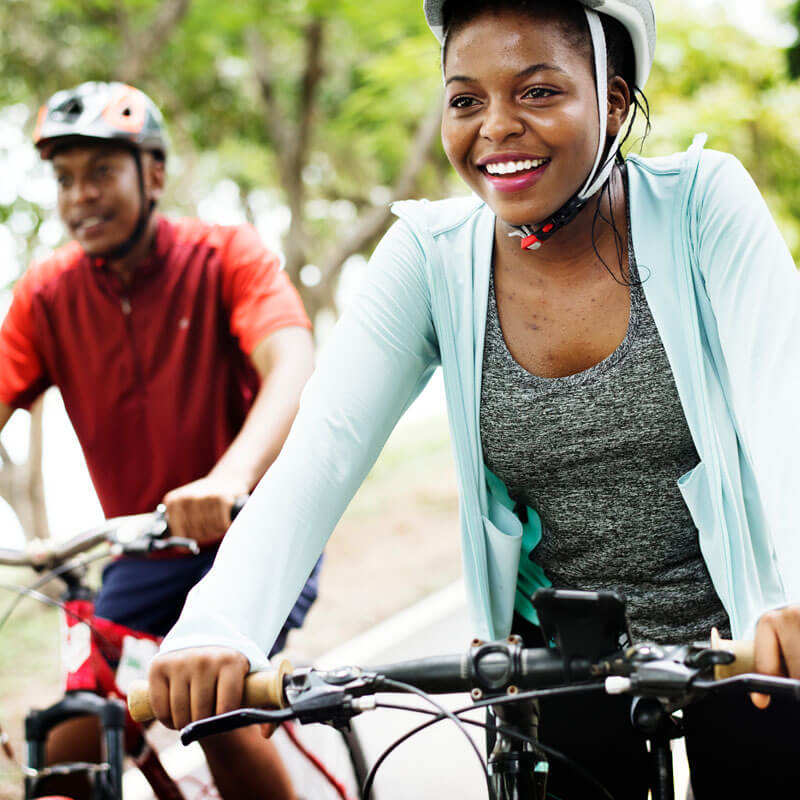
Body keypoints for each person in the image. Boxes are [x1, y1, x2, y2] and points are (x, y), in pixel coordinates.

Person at [149, 2, 800, 797]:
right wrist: (219, 627)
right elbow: (322, 448)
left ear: (616, 102)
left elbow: (784, 399)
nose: (496, 127)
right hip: (556, 657)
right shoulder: (429, 259)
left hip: (751, 632)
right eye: (465, 100)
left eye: (538, 92)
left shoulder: (703, 203)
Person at [0, 81, 318, 800]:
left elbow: (293, 365)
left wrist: (230, 479)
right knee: (67, 748)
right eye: (64, 179)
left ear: (154, 174)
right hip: (144, 550)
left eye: (101, 173)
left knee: (214, 704)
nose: (80, 195)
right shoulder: (46, 297)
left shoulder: (226, 256)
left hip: (256, 530)